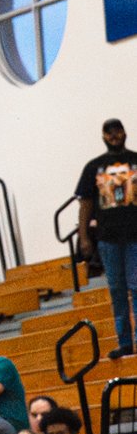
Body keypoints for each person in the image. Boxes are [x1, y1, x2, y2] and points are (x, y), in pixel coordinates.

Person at [76, 119, 137, 359]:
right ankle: (125, 342)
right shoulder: (93, 167)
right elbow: (85, 204)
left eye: (117, 131)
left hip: (135, 237)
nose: (114, 136)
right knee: (117, 291)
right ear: (103, 136)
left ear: (124, 133)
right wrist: (84, 237)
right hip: (108, 239)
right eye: (109, 133)